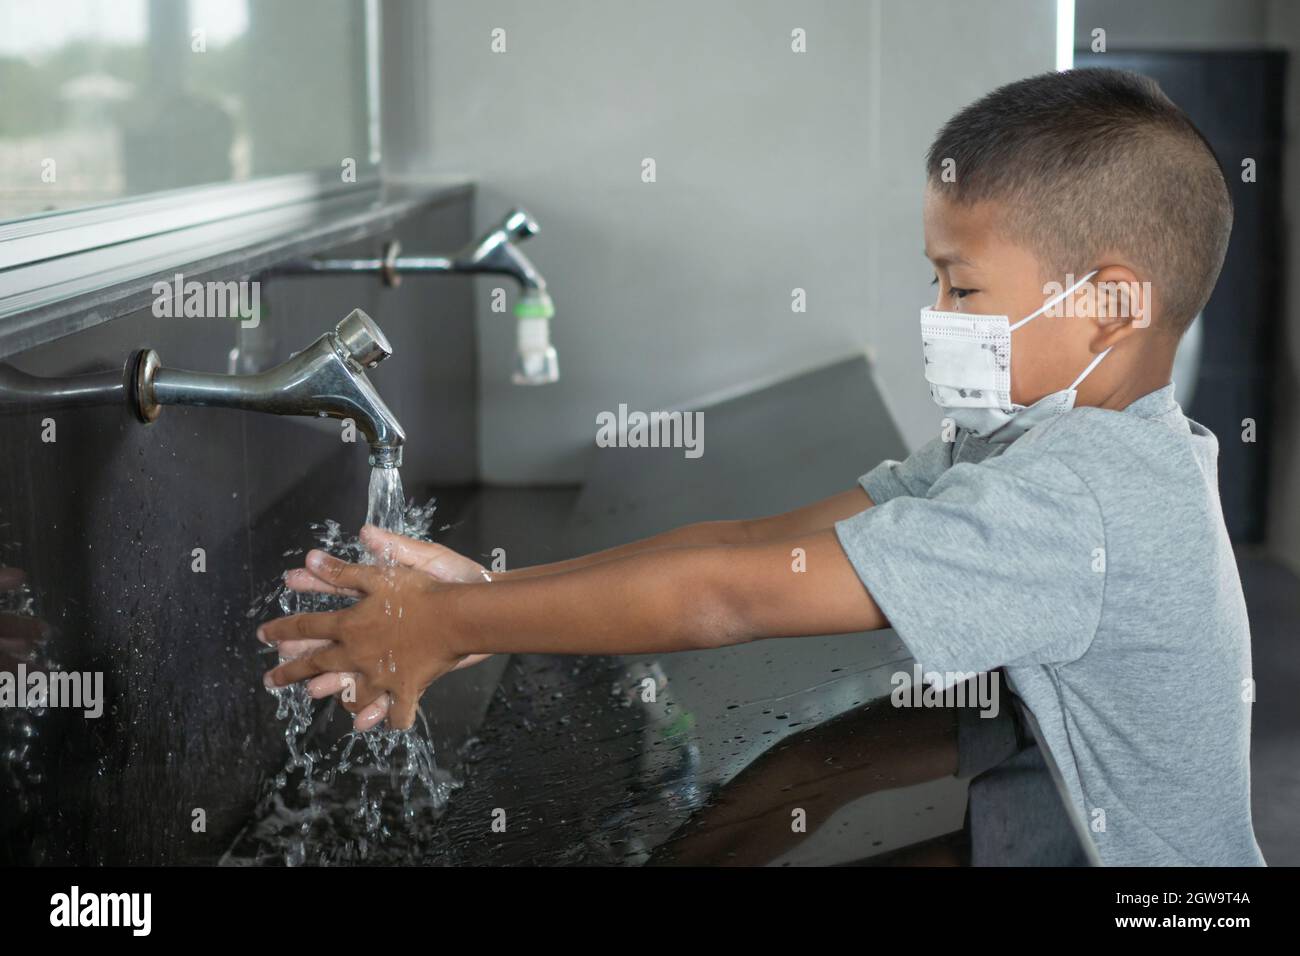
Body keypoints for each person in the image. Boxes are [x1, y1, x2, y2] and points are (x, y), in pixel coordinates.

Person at [261, 68, 1264, 866]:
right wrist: (492, 594)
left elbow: (727, 599)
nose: (937, 317)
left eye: (961, 285)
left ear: (1113, 303)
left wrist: (449, 623)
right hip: (1040, 817)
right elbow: (760, 545)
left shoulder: (1073, 500)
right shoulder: (1039, 441)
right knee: (766, 798)